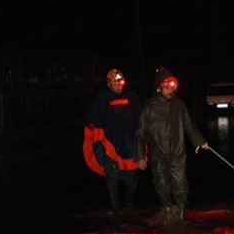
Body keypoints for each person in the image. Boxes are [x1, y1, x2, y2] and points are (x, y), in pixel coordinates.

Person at [135, 68, 208, 224]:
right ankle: (167, 208)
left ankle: (181, 212)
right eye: (166, 87)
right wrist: (140, 156)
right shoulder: (149, 107)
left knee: (180, 183)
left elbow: (189, 125)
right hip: (158, 153)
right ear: (159, 87)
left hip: (177, 152)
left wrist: (200, 141)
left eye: (172, 87)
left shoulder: (179, 105)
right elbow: (140, 133)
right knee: (161, 183)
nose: (169, 90)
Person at [84, 68, 143, 212]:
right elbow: (92, 120)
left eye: (121, 82)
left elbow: (142, 120)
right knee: (112, 180)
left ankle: (129, 208)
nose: (119, 86)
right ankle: (115, 211)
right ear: (109, 84)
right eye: (116, 83)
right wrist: (98, 146)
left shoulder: (132, 97)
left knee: (132, 182)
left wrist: (142, 148)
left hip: (129, 146)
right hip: (110, 147)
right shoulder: (102, 99)